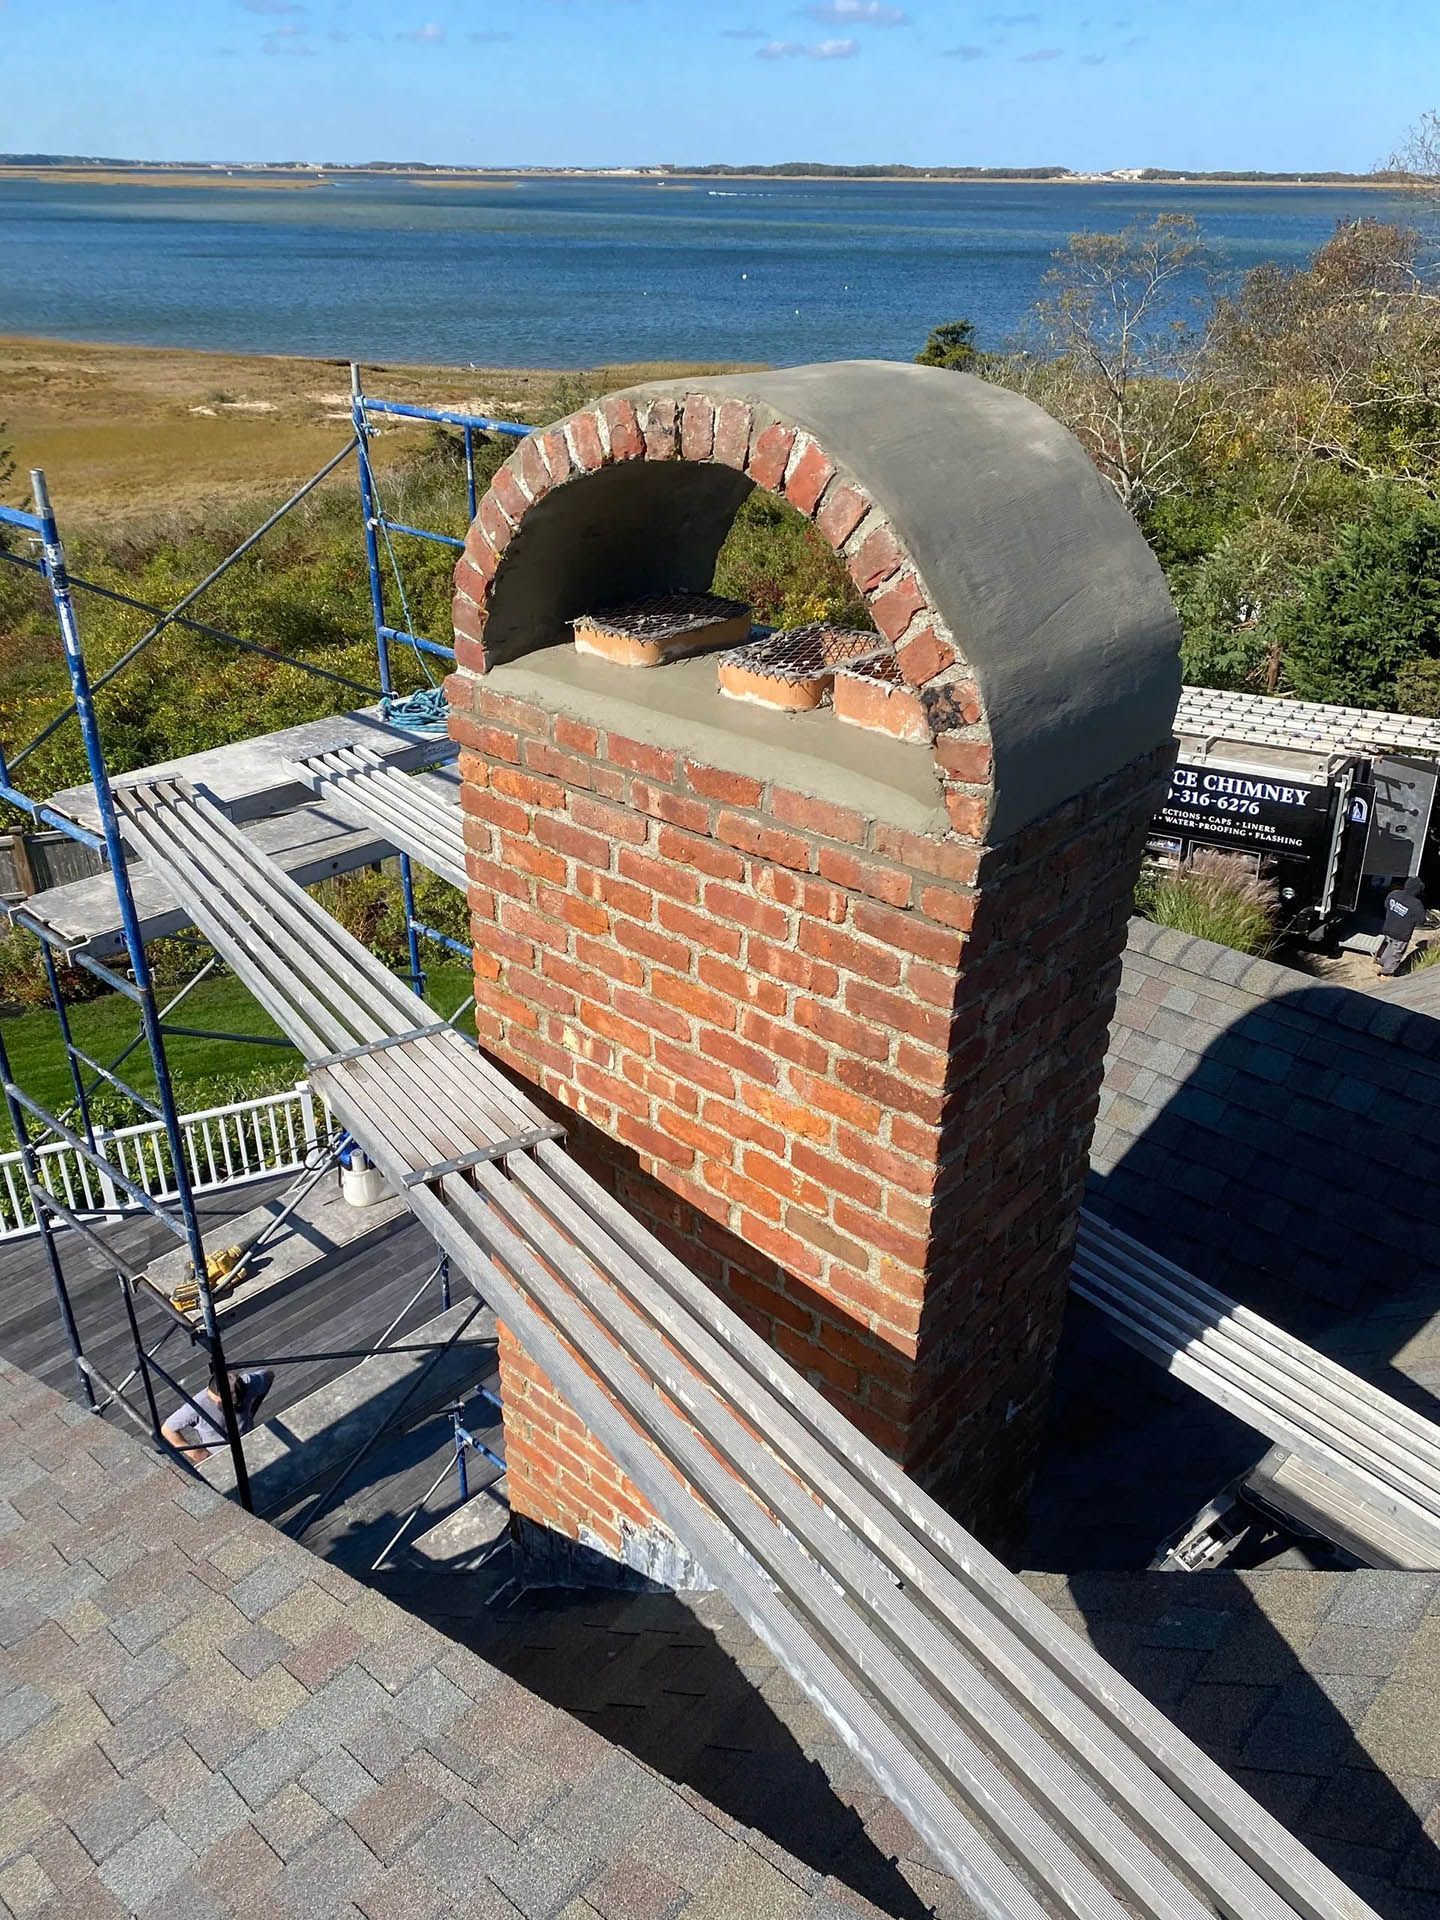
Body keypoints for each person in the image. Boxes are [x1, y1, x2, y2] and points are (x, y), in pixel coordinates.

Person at [161, 1366, 274, 1463]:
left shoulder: (249, 1384)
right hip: (219, 1455)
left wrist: (252, 1410)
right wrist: (196, 1453)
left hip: (248, 1441)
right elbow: (167, 1429)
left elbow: (268, 1376)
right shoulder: (195, 1408)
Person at [1375, 877, 1428, 978]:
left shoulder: (1394, 894)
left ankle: (1381, 961)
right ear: (1418, 890)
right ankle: (1386, 972)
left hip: (1388, 928)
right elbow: (1421, 921)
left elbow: (1386, 905)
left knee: (1388, 945)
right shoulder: (1416, 905)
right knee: (1395, 953)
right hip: (1401, 934)